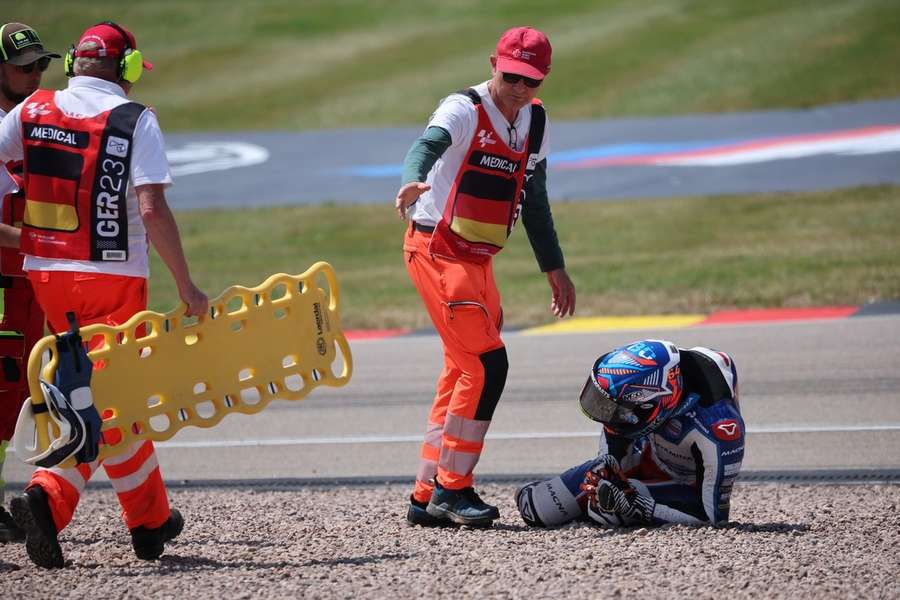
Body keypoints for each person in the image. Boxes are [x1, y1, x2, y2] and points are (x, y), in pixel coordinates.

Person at [0, 21, 208, 568]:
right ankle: (49, 496)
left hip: (46, 278)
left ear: (72, 64)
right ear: (130, 70)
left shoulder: (32, 110)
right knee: (112, 396)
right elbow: (150, 208)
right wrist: (186, 285)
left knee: (108, 393)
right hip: (112, 279)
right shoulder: (135, 119)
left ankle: (150, 520)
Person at [395, 26, 576, 528]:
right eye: (511, 75)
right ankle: (455, 489)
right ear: (493, 63)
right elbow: (426, 145)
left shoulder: (535, 122)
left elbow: (533, 199)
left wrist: (554, 268)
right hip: (436, 250)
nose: (519, 88)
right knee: (486, 367)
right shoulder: (463, 109)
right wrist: (412, 178)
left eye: (531, 81)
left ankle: (426, 494)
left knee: (460, 371)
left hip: (478, 259)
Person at [516, 339, 745, 528]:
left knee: (607, 512)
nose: (608, 417)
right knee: (535, 506)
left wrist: (637, 505)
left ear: (652, 403)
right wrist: (606, 471)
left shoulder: (719, 425)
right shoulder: (651, 389)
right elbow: (611, 452)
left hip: (687, 486)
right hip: (648, 453)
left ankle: (615, 510)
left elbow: (713, 517)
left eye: (618, 411)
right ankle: (601, 508)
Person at [0, 21, 59, 545]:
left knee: (15, 384)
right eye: (25, 67)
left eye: (41, 64)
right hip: (9, 268)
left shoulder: (32, 121)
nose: (37, 74)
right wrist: (43, 243)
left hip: (22, 276)